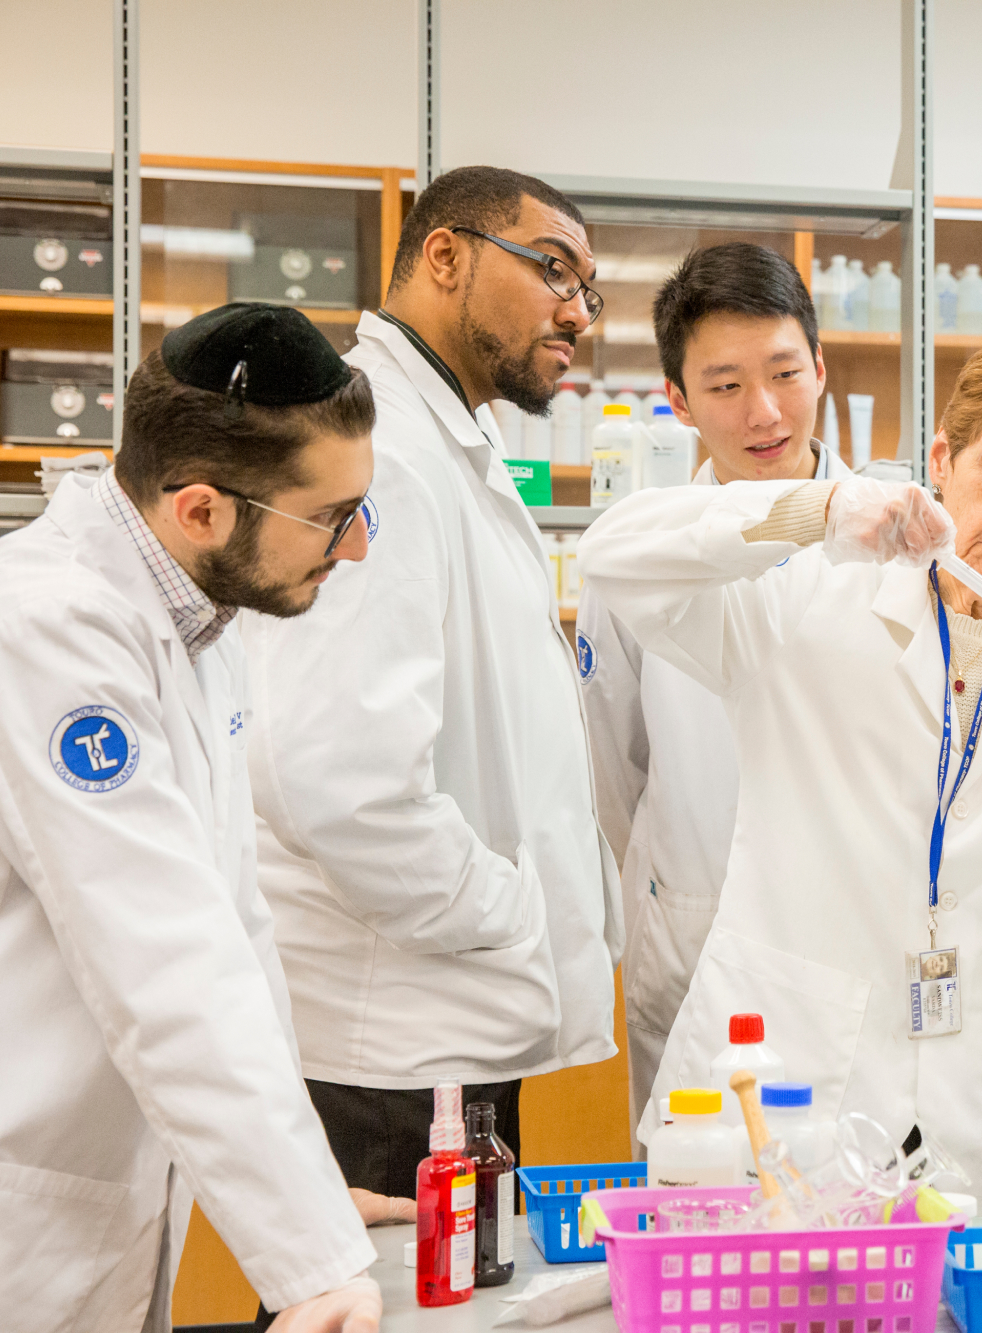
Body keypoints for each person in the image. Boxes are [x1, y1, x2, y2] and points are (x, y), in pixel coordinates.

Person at [579, 329, 982, 1193]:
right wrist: (815, 508)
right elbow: (612, 556)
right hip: (799, 1096)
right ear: (942, 459)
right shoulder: (807, 592)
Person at [0, 304, 386, 1331]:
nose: (358, 546)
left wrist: (311, 1202)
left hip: (71, 1184)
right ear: (200, 508)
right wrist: (310, 1257)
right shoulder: (47, 634)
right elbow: (165, 960)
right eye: (331, 515)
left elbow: (231, 928)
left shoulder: (193, 619)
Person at [242, 166, 622, 1196]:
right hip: (395, 1050)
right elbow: (332, 775)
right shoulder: (388, 455)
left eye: (590, 290)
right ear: (444, 255)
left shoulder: (448, 440)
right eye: (552, 270)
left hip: (447, 1027)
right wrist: (508, 913)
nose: (575, 312)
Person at [575, 242, 846, 1136]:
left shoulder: (893, 537)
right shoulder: (639, 555)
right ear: (680, 403)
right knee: (695, 1202)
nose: (764, 412)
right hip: (694, 929)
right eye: (726, 386)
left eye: (783, 372)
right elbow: (613, 767)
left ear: (820, 367)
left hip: (849, 936)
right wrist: (671, 879)